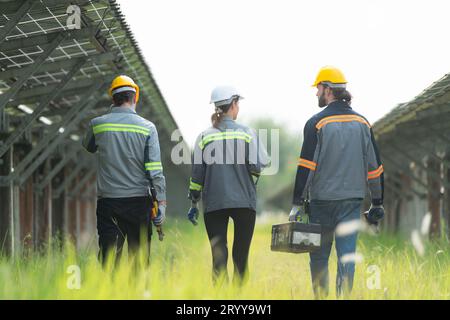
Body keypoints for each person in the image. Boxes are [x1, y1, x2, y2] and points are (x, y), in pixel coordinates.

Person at [289, 66, 385, 298]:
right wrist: (377, 202)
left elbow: (306, 167)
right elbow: (375, 167)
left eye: (318, 88)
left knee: (319, 257)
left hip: (321, 203)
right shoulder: (363, 124)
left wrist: (296, 203)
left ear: (328, 90)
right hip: (351, 203)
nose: (316, 93)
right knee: (346, 257)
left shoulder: (316, 124)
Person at [187, 86, 269, 285]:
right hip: (244, 203)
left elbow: (197, 177)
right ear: (233, 105)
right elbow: (257, 166)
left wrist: (194, 202)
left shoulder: (204, 137)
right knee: (241, 259)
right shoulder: (247, 133)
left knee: (219, 259)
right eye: (237, 103)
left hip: (214, 203)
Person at [82, 75, 166, 265]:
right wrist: (161, 203)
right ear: (135, 97)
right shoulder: (148, 128)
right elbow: (155, 171)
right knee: (139, 261)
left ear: (112, 98)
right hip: (139, 204)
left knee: (109, 261)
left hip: (109, 203)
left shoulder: (98, 124)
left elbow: (88, 146)